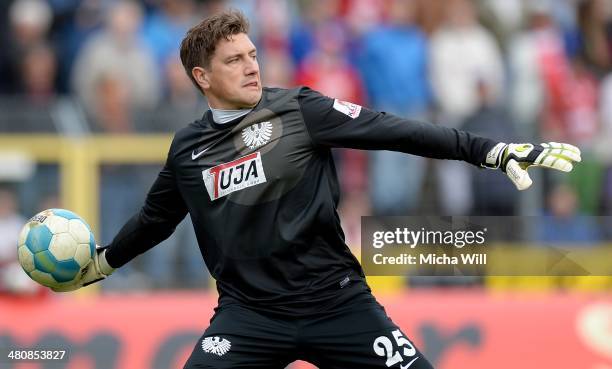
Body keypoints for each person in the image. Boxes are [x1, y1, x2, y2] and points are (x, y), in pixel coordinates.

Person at [53, 10, 582, 369]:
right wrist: (100, 264)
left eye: (253, 54)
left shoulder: (300, 110)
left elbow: (398, 130)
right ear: (202, 76)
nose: (251, 65)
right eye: (234, 60)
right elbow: (154, 220)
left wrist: (490, 151)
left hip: (338, 304)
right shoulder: (188, 149)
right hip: (248, 316)